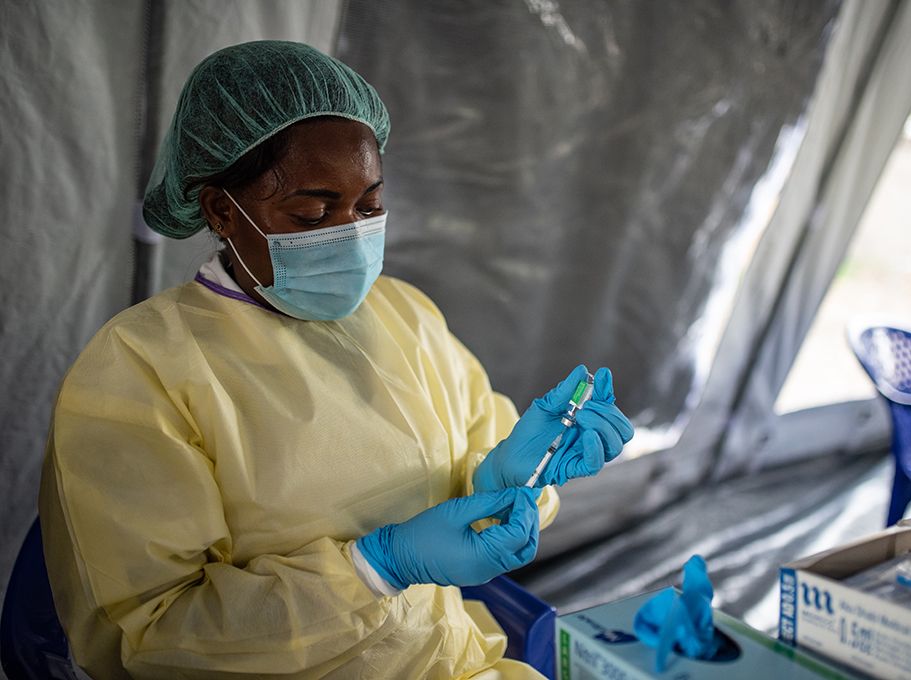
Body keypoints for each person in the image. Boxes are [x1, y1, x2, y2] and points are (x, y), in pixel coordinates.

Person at [38, 41, 634, 679]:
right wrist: (375, 570)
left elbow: (474, 478)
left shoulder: (404, 315)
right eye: (313, 212)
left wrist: (512, 479)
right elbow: (156, 639)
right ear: (220, 209)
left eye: (369, 206)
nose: (350, 232)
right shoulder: (140, 371)